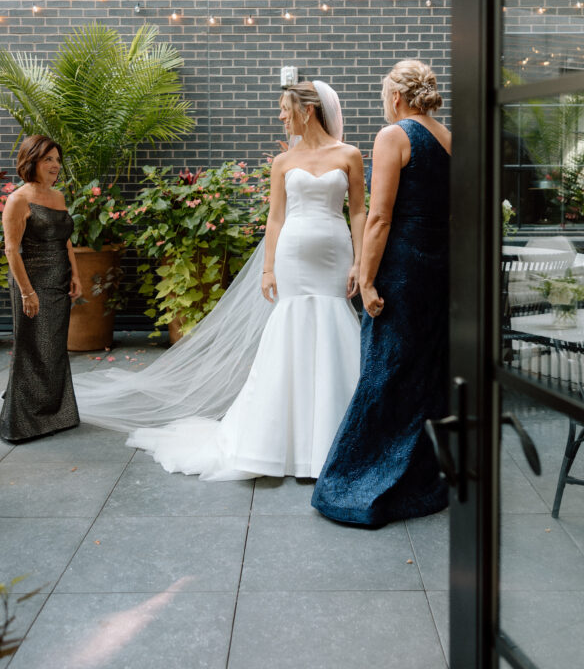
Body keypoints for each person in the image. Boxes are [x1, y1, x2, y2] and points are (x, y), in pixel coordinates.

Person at [74, 80, 366, 481]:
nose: (281, 116)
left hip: (335, 254)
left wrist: (360, 260)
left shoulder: (349, 155)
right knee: (292, 327)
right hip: (294, 256)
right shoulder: (283, 162)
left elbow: (360, 212)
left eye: (285, 108)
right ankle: (282, 441)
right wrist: (267, 267)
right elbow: (276, 218)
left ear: (307, 110)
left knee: (334, 325)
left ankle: (335, 439)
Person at [312, 60, 451, 526]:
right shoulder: (451, 139)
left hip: (404, 270)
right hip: (439, 270)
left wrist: (367, 278)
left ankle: (363, 483)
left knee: (385, 371)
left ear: (396, 97)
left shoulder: (394, 136)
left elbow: (380, 216)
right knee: (425, 376)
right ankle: (420, 480)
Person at [0, 135, 82, 443]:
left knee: (54, 350)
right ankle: (21, 423)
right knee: (32, 349)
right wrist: (27, 292)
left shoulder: (58, 197)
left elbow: (65, 238)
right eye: (49, 159)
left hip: (59, 281)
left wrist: (75, 274)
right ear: (31, 160)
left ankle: (55, 413)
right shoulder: (18, 199)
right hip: (31, 281)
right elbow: (11, 250)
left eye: (58, 160)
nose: (55, 166)